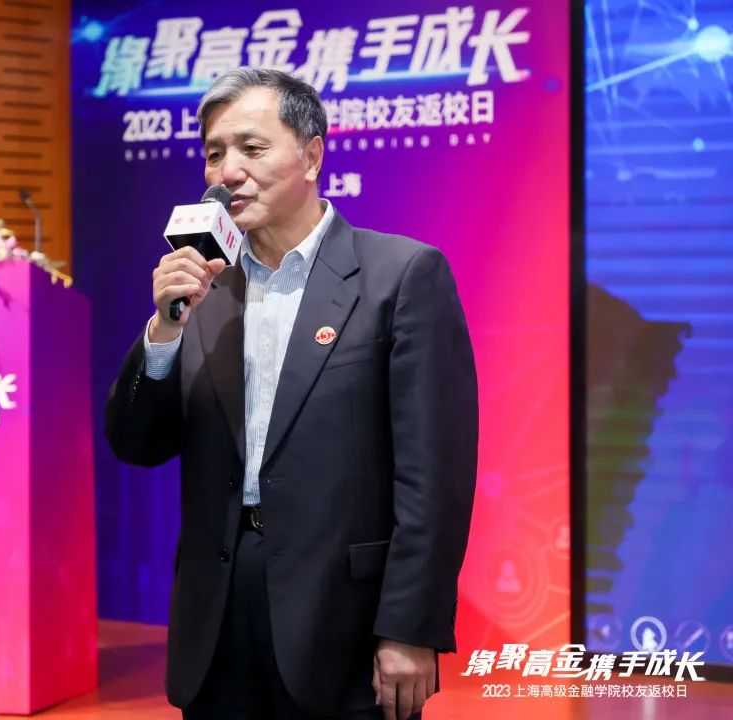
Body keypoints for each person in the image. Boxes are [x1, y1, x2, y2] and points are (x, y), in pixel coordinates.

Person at [105, 67, 478, 720]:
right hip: (218, 614)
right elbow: (136, 443)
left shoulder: (400, 276)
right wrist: (164, 329)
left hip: (345, 620)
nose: (228, 171)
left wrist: (410, 627)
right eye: (214, 153)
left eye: (252, 148)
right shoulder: (206, 291)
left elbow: (433, 477)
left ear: (311, 156)